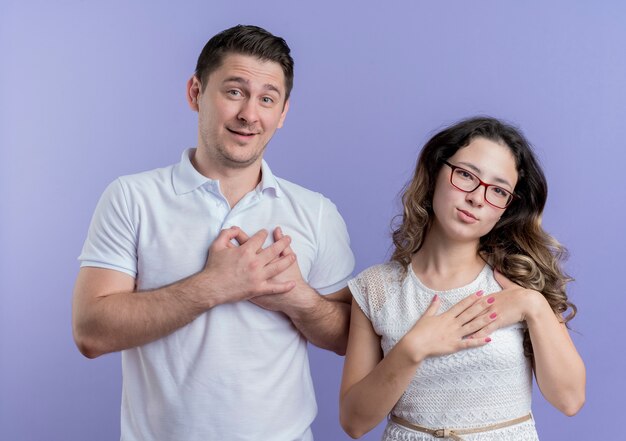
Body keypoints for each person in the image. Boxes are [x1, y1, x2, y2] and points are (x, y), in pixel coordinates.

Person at [72, 25, 355, 441]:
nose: (249, 114)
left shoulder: (315, 212)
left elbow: (348, 336)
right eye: (234, 91)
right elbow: (91, 332)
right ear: (195, 93)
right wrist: (215, 285)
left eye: (267, 99)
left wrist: (298, 299)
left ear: (283, 113)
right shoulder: (131, 197)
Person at [339, 117, 585, 440]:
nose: (477, 198)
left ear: (507, 208)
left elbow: (569, 400)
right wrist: (413, 348)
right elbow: (354, 422)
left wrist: (533, 306)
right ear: (435, 173)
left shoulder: (520, 281)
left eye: (498, 190)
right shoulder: (377, 288)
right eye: (466, 176)